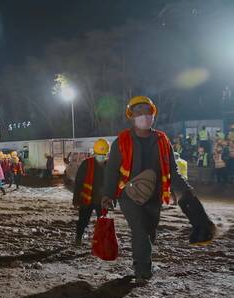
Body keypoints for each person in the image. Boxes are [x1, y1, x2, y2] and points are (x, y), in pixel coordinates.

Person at [102, 96, 216, 284]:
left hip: (154, 196)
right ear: (131, 116)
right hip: (128, 196)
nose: (144, 115)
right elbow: (112, 170)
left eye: (148, 111)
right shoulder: (121, 141)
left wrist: (186, 191)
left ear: (153, 114)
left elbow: (173, 171)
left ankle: (141, 261)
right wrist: (108, 194)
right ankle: (143, 272)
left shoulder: (162, 140)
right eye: (138, 112)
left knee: (149, 231)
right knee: (140, 231)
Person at [73, 138, 109, 245]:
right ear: (94, 152)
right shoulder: (86, 164)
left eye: (103, 154)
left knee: (103, 223)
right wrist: (76, 199)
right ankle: (78, 238)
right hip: (87, 199)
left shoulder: (109, 166)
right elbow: (78, 182)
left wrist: (112, 199)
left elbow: (112, 184)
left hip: (102, 201)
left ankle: (101, 241)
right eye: (99, 154)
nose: (101, 157)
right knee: (83, 221)